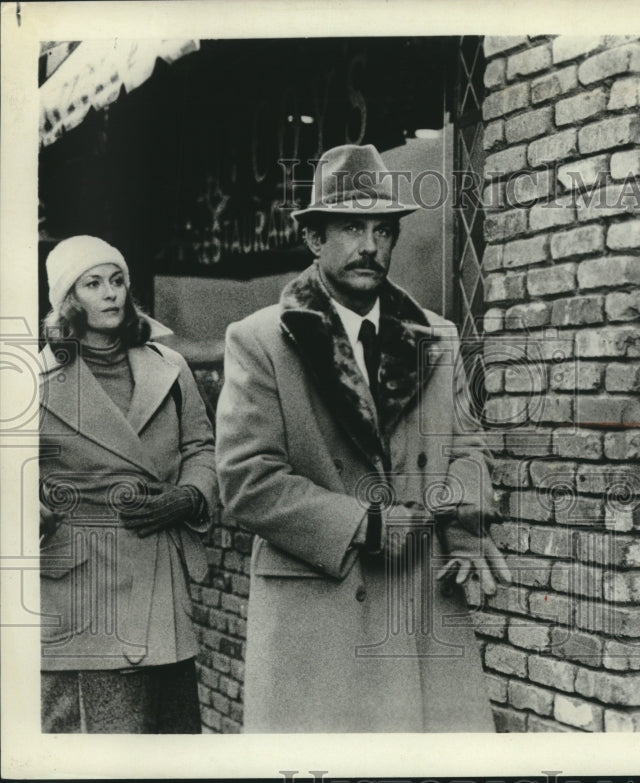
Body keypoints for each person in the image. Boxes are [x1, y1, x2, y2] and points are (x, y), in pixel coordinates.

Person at [215, 144, 511, 732]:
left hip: (418, 605)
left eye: (383, 229)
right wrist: (368, 525)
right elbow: (248, 480)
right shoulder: (261, 340)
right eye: (351, 227)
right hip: (319, 617)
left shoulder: (437, 336)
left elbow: (467, 444)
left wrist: (462, 516)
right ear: (315, 239)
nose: (370, 246)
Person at [38, 235, 217, 733]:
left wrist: (189, 495)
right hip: (84, 595)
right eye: (93, 283)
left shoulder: (169, 367)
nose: (111, 293)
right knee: (103, 749)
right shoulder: (33, 382)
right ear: (68, 300)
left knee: (173, 746)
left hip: (161, 583)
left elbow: (202, 448)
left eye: (117, 281)